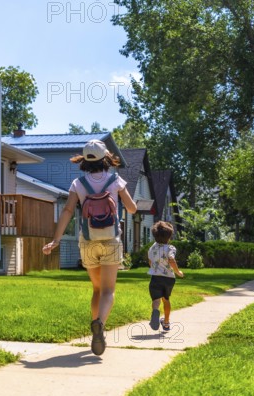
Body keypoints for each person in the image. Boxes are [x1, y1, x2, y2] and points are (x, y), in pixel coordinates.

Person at [42, 140, 137, 356]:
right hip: (111, 241)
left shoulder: (78, 183)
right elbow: (131, 209)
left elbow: (67, 211)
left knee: (96, 289)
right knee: (108, 290)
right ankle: (100, 324)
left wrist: (55, 241)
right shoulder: (116, 180)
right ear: (106, 158)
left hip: (87, 241)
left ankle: (96, 326)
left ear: (84, 160)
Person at [147, 221, 184, 332]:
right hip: (169, 278)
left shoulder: (152, 248)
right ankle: (166, 323)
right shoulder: (170, 248)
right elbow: (171, 259)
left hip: (155, 277)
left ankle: (155, 311)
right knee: (166, 299)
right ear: (169, 236)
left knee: (156, 299)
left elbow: (150, 261)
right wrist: (178, 272)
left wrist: (154, 267)